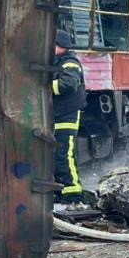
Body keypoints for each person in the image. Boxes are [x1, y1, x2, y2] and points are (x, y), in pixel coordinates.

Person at [51, 29, 86, 202]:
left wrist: (43, 87)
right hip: (57, 115)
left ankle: (73, 193)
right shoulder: (57, 61)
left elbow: (68, 85)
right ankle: (60, 190)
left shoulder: (70, 63)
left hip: (66, 116)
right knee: (57, 155)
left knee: (64, 155)